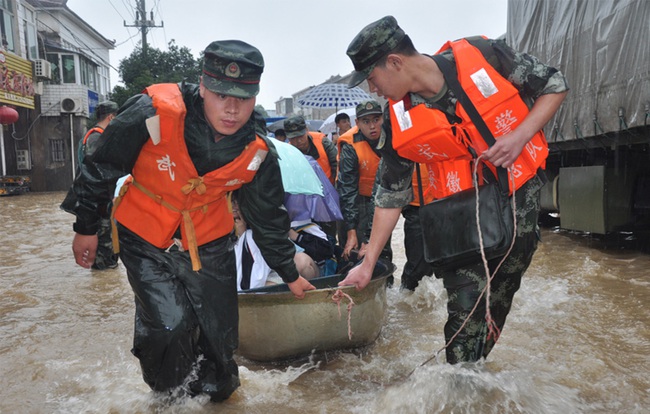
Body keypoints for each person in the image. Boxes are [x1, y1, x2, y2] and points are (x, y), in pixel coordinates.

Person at [60, 39, 315, 402]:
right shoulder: (153, 111)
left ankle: (215, 399)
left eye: (242, 98)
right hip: (144, 236)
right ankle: (168, 400)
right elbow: (102, 166)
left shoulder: (257, 153)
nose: (231, 109)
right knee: (169, 325)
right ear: (202, 86)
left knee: (220, 337)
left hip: (209, 242)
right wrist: (85, 228)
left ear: (255, 97)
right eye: (221, 95)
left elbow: (268, 220)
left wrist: (290, 275)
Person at [339, 16, 569, 364]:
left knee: (495, 307)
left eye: (372, 78)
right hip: (459, 222)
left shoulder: (484, 55)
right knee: (462, 326)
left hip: (516, 205)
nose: (372, 89)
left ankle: (476, 373)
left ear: (396, 62)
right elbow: (390, 193)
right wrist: (368, 263)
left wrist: (518, 137)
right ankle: (461, 381)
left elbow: (554, 83)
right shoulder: (397, 120)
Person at [336, 100, 392, 262]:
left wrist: (371, 238)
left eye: (376, 120)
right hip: (355, 198)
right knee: (354, 249)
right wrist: (351, 230)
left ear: (383, 119)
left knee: (381, 247)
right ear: (357, 123)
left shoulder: (391, 138)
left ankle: (385, 282)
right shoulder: (350, 146)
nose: (372, 126)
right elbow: (347, 189)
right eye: (366, 122)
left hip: (383, 196)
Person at [233, 199, 319, 290]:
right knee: (268, 289)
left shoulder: (262, 218)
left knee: (304, 263)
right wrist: (243, 236)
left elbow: (280, 249)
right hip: (248, 278)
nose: (235, 207)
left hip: (275, 266)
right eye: (232, 203)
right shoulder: (224, 227)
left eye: (237, 202)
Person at [77, 100, 119, 270]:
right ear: (111, 117)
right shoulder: (97, 138)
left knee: (108, 245)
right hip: (100, 204)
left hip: (99, 201)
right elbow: (97, 175)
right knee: (105, 249)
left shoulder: (93, 136)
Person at [285, 114, 339, 239]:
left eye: (301, 136)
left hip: (326, 198)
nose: (298, 141)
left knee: (328, 235)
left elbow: (337, 166)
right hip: (301, 203)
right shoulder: (287, 151)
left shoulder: (322, 141)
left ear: (307, 131)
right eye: (293, 138)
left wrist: (335, 193)